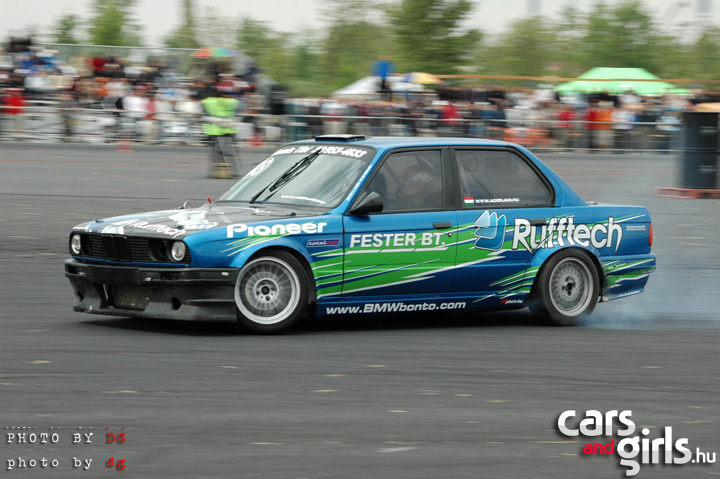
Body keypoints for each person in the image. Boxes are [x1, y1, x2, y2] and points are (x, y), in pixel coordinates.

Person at [201, 83, 241, 178]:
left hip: (214, 130)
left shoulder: (207, 102)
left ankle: (213, 171)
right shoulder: (233, 102)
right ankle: (233, 170)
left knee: (215, 152)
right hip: (230, 128)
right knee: (230, 151)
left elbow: (203, 114)